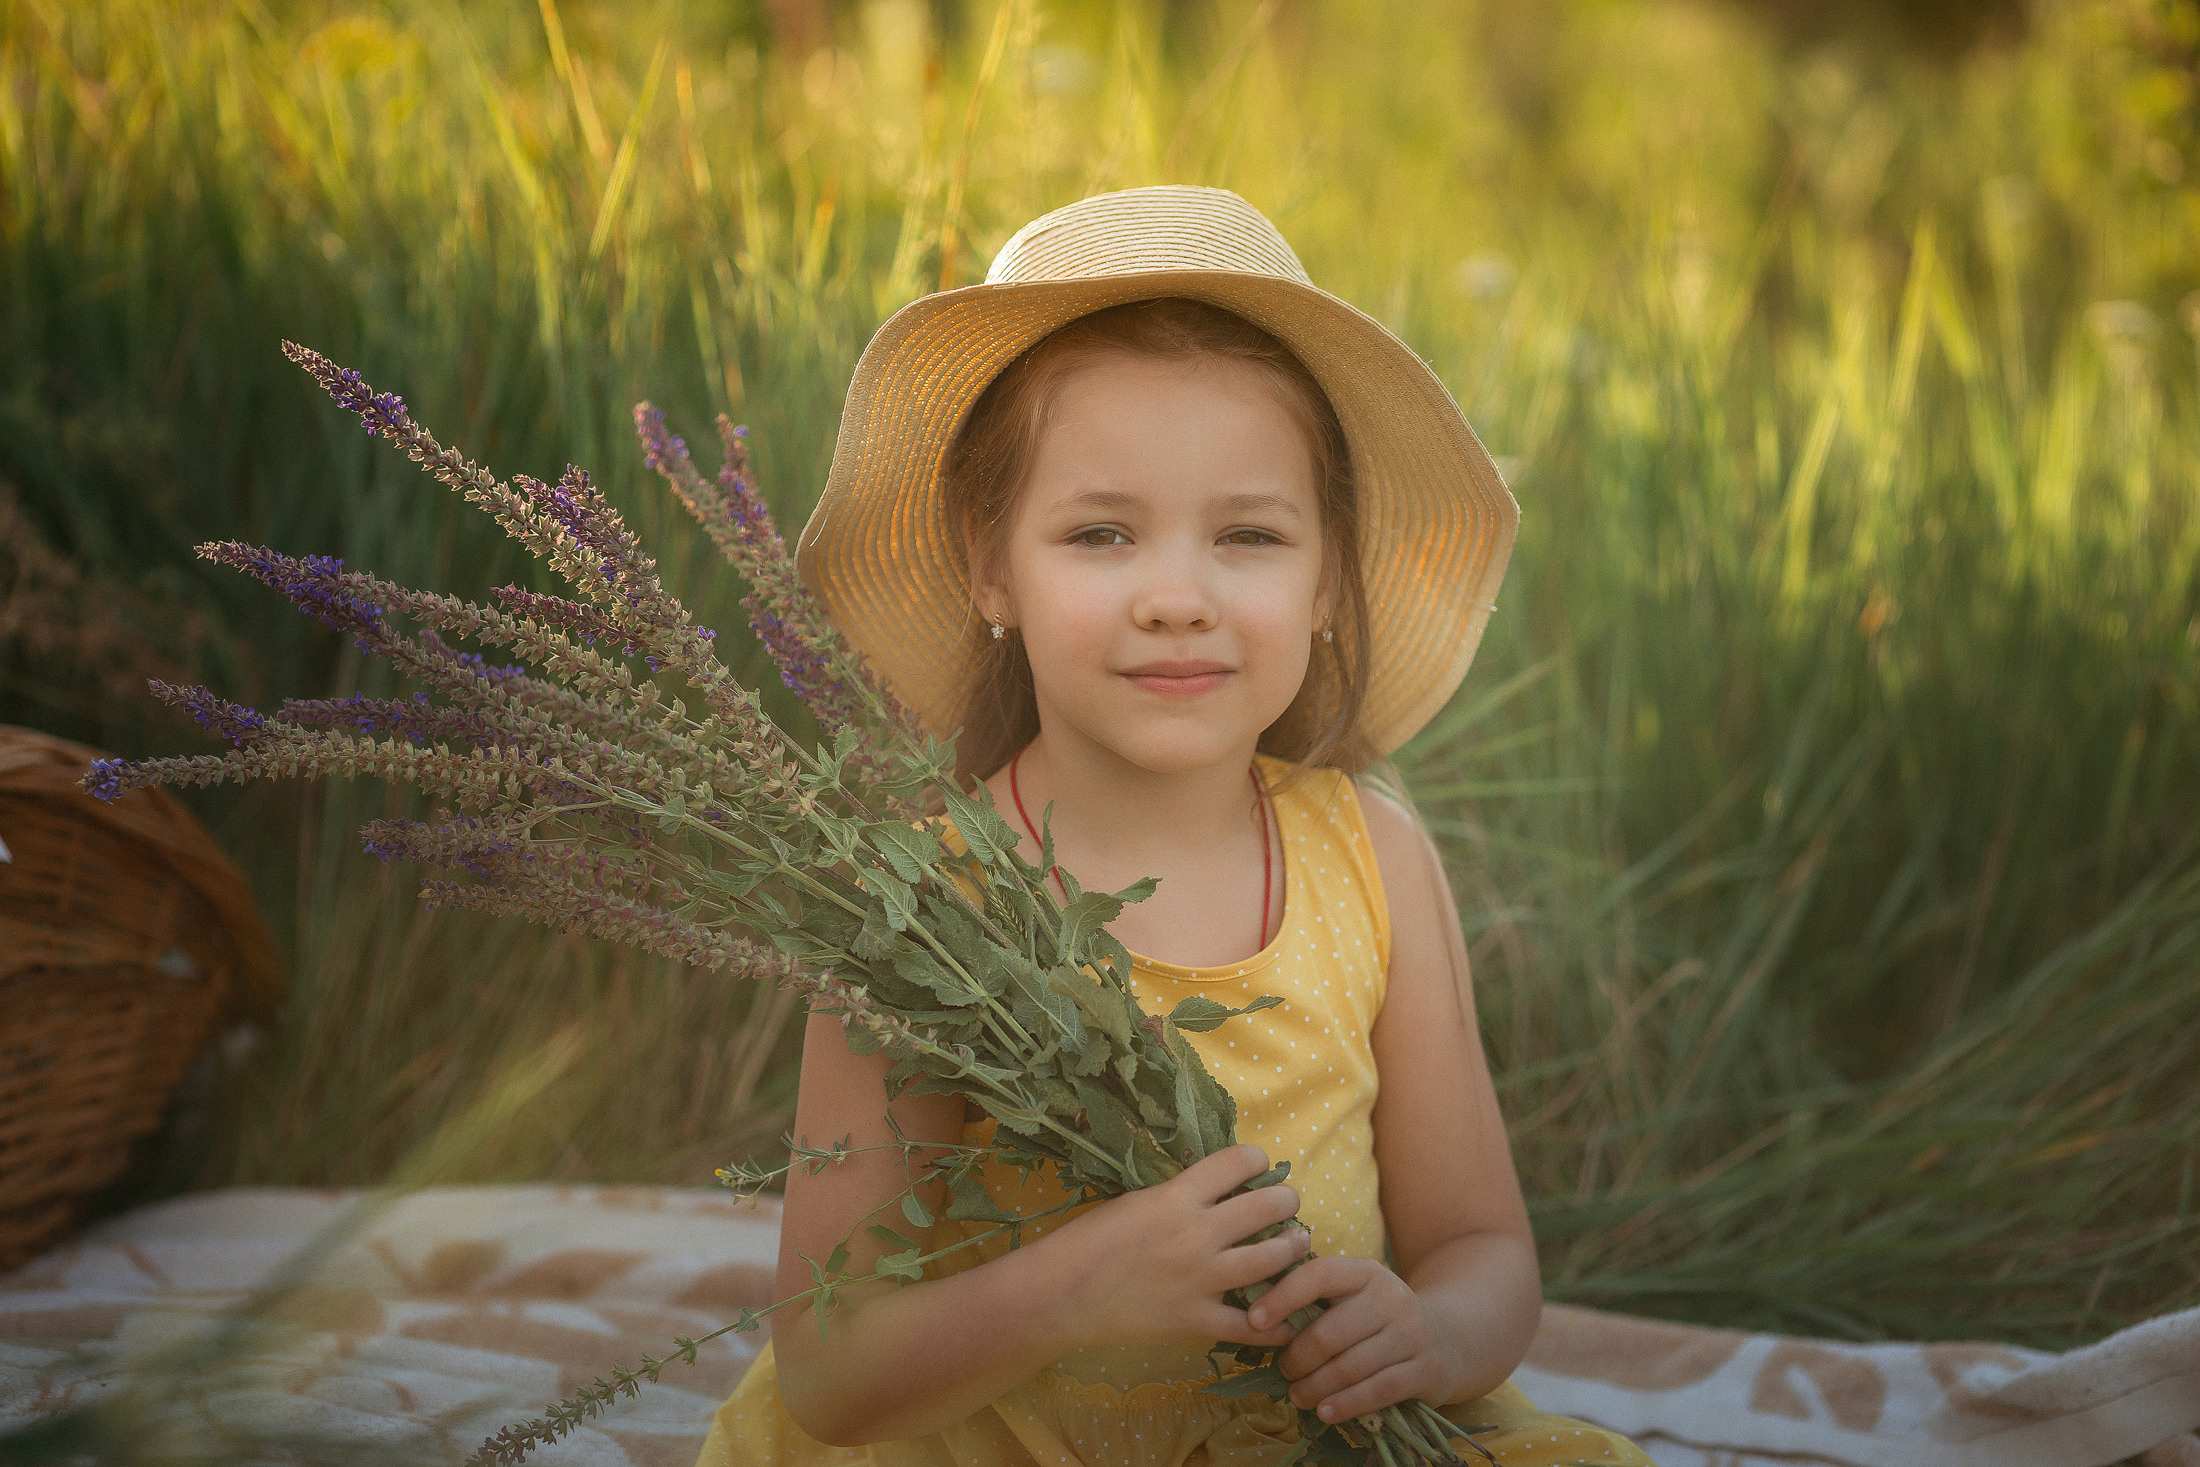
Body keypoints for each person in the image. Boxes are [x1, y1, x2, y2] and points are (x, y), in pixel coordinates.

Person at [698, 186, 1649, 1467]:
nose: (1178, 597)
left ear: (1325, 581)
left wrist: (1426, 1337)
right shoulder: (922, 910)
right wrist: (1077, 1287)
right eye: (1100, 534)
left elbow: (1483, 1254)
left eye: (1248, 536)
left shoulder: (1369, 860)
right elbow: (831, 1367)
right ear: (992, 567)